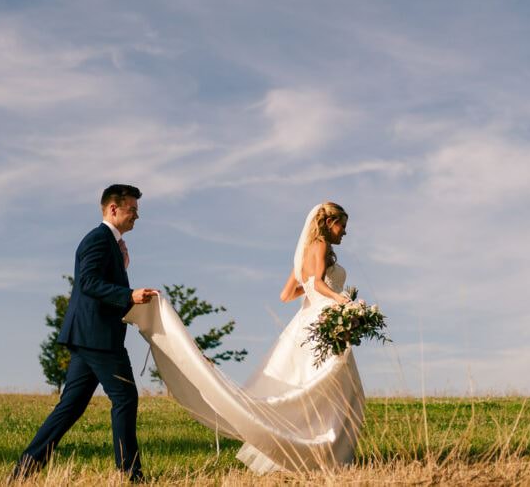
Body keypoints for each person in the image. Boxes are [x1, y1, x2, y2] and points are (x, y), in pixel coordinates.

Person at [123, 201, 365, 473]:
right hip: (322, 320)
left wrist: (310, 289)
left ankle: (320, 453)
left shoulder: (308, 251)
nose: (344, 232)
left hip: (313, 320)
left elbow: (287, 294)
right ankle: (328, 456)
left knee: (324, 388)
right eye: (342, 225)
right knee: (336, 389)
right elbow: (318, 283)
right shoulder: (320, 244)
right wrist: (340, 300)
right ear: (329, 223)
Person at [11, 184, 159, 482]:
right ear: (113, 209)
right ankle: (131, 476)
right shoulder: (98, 240)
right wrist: (130, 295)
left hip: (89, 337)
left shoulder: (112, 245)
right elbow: (88, 283)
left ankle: (25, 469)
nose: (136, 217)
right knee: (125, 398)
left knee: (71, 406)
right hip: (98, 338)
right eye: (132, 210)